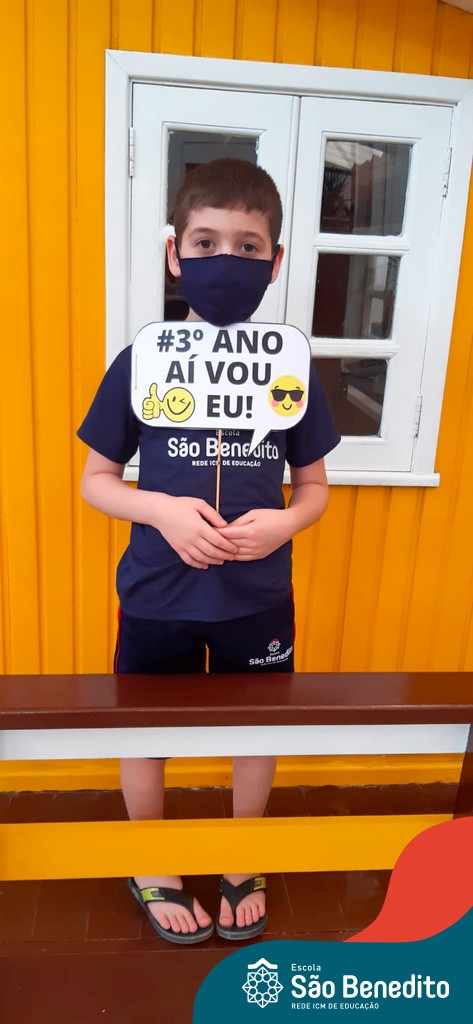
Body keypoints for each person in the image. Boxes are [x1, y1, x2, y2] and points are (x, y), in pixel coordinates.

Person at [78, 158, 340, 945]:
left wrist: (284, 524)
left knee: (255, 731)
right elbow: (96, 481)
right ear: (175, 253)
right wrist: (160, 509)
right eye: (205, 242)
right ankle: (151, 861)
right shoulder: (140, 363)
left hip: (256, 597)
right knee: (143, 732)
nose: (226, 259)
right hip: (156, 594)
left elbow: (314, 489)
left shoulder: (291, 370)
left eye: (247, 246)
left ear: (275, 260)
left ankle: (239, 853)